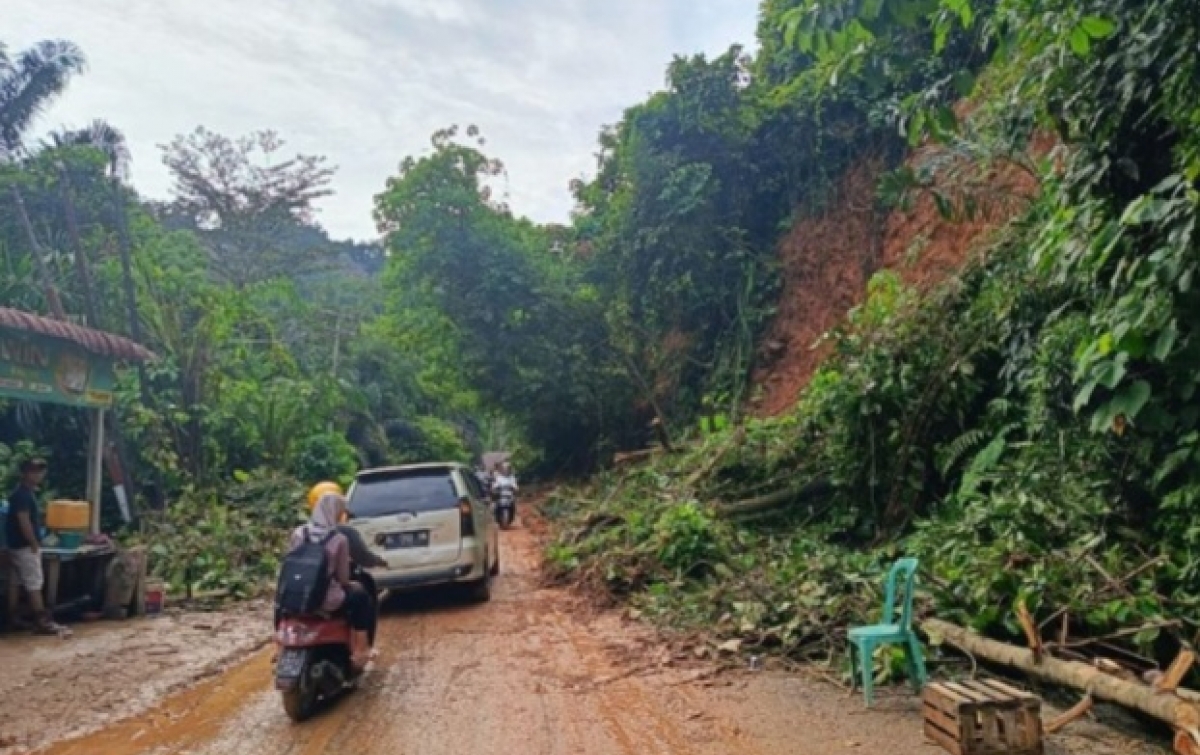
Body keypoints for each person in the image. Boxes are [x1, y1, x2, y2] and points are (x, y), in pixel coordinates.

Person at [287, 493, 374, 670]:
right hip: (327, 600)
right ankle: (361, 649)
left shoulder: (298, 533)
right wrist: (351, 584)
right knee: (361, 597)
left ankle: (279, 647)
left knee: (279, 605)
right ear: (335, 512)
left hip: (295, 596)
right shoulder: (338, 538)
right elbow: (343, 578)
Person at [5, 458, 68, 635]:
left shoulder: (21, 493)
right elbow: (24, 521)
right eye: (35, 471)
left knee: (15, 583)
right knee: (34, 582)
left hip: (15, 545)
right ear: (25, 473)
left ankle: (13, 618)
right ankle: (42, 621)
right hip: (24, 546)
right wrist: (33, 542)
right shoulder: (23, 495)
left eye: (40, 471)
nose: (39, 475)